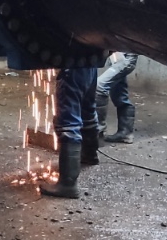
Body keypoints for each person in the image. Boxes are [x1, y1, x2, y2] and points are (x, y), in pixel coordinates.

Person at [40, 66, 99, 199]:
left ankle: (67, 184)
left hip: (74, 62)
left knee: (68, 120)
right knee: (87, 110)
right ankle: (90, 155)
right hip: (91, 64)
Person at [96, 51, 138, 144]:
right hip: (116, 57)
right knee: (120, 95)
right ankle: (125, 133)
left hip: (125, 58)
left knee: (99, 87)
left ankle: (98, 130)